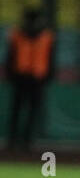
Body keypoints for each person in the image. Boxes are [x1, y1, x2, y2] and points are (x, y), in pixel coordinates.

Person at [6, 8, 54, 152]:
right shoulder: (16, 34)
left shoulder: (47, 36)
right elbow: (11, 56)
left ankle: (27, 141)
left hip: (37, 78)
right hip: (20, 77)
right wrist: (11, 75)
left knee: (32, 111)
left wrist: (47, 77)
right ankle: (13, 140)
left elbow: (50, 58)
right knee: (17, 110)